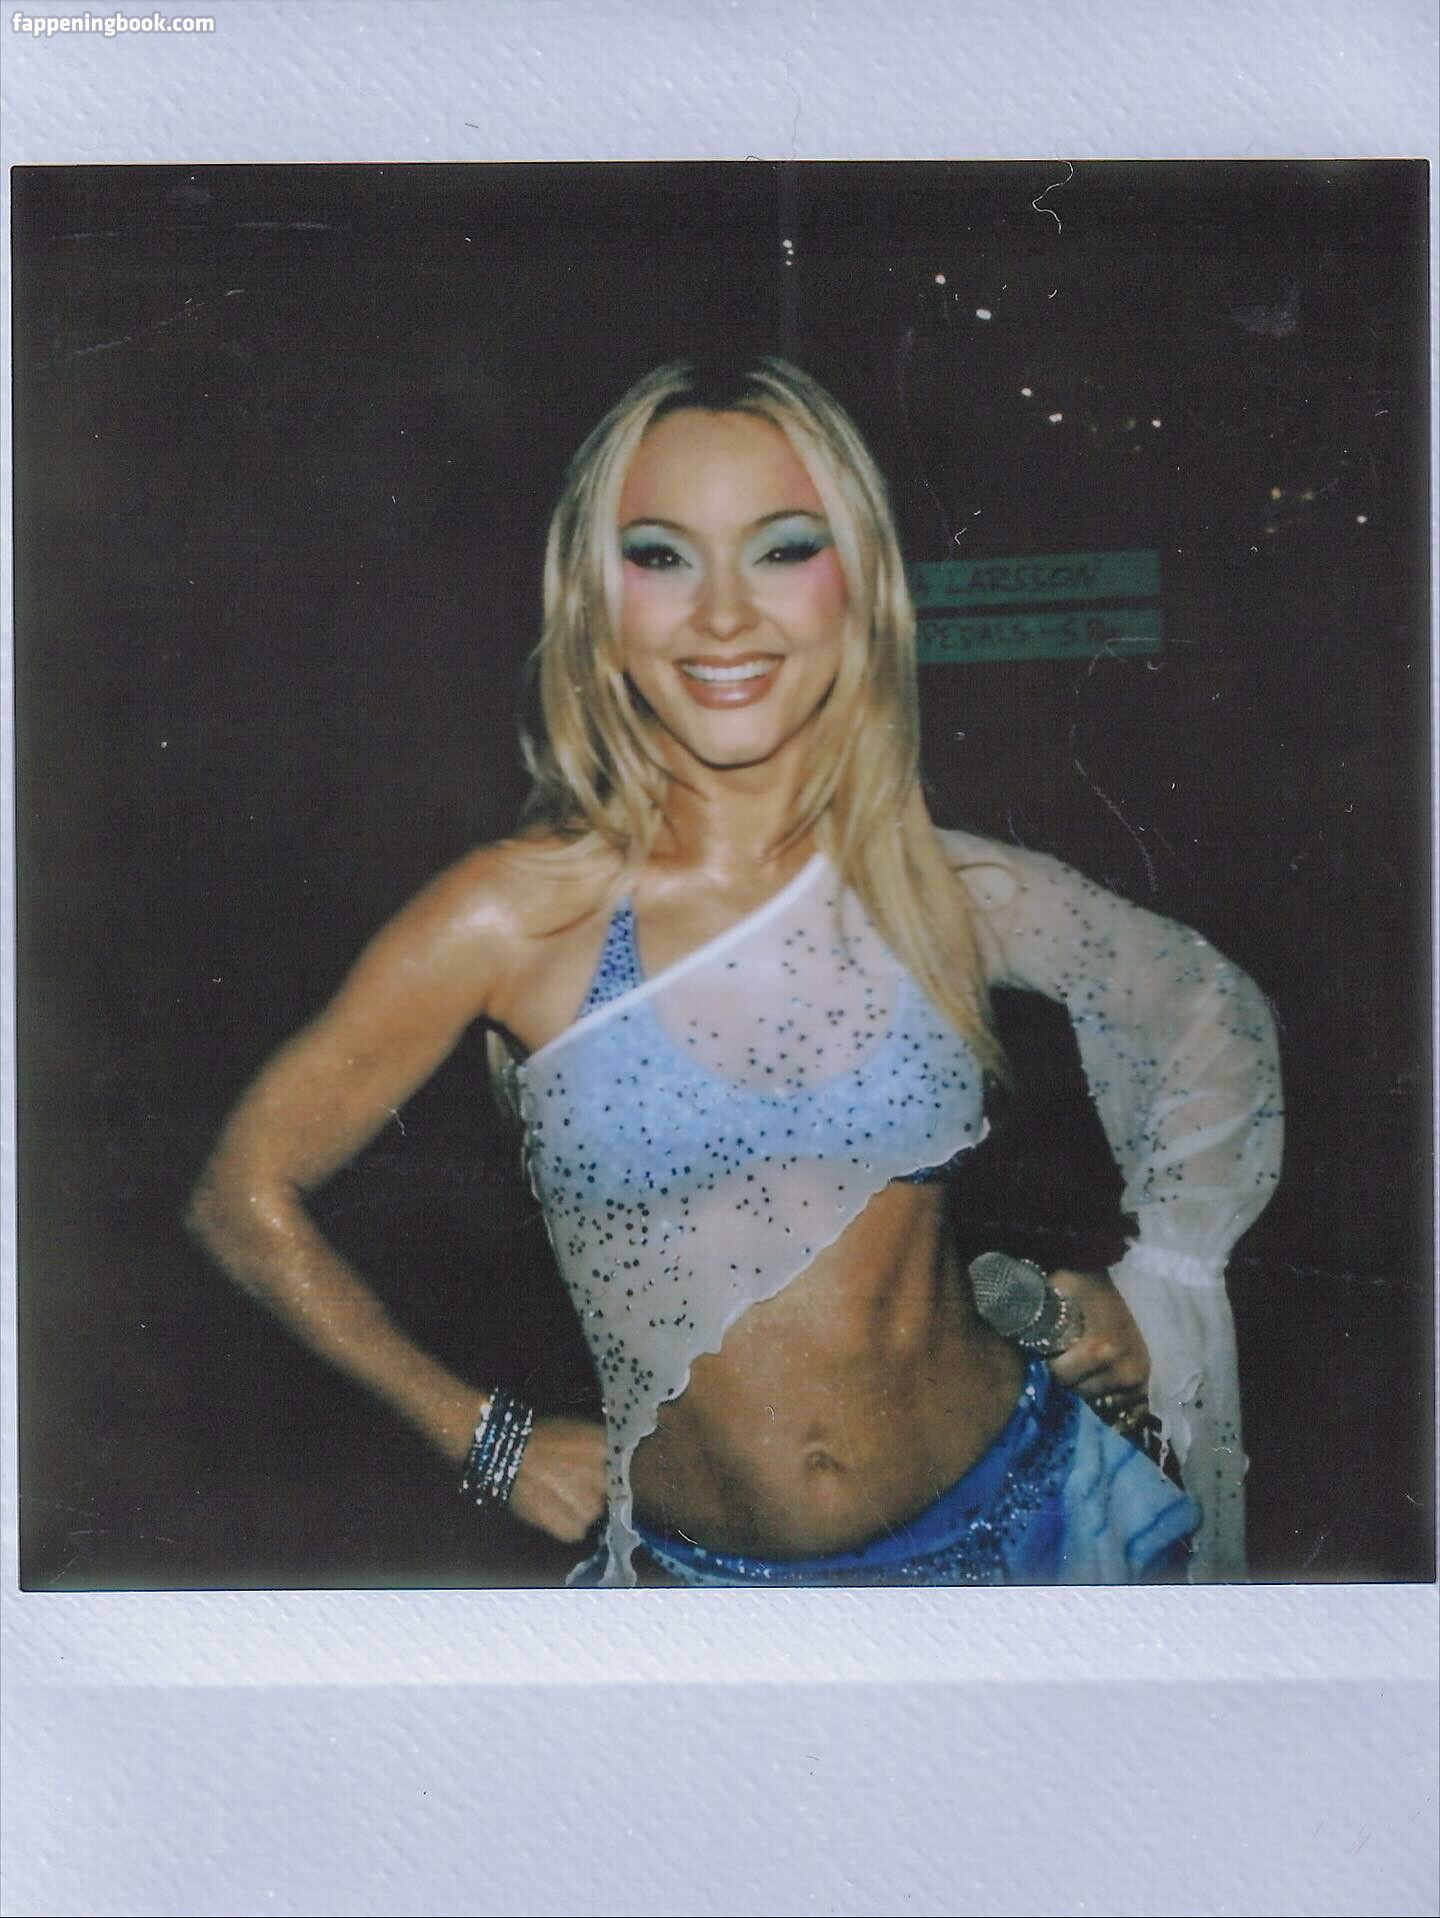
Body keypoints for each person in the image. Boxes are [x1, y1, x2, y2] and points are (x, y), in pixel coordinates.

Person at [187, 355, 1282, 1587]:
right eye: (660, 555)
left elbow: (1209, 1011)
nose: (721, 614)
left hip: (1040, 1536)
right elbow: (242, 1194)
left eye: (782, 548)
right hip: (702, 1598)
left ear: (857, 584)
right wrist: (484, 1438)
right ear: (596, 602)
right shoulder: (515, 917)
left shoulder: (945, 889)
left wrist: (1163, 1278)